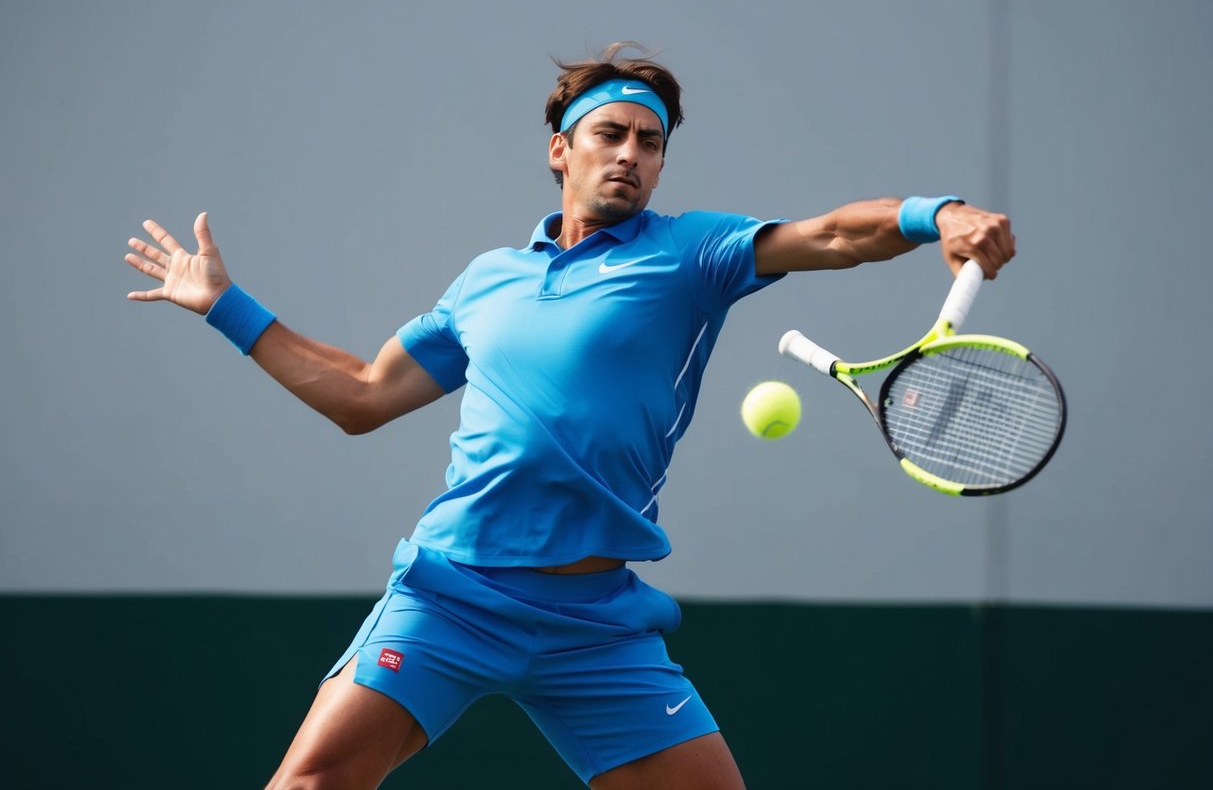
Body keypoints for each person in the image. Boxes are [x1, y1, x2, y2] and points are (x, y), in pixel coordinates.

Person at [125, 43, 1015, 789]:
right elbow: (362, 394)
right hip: (453, 595)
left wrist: (933, 214)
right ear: (561, 150)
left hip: (596, 623)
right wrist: (226, 306)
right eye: (609, 134)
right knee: (311, 784)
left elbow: (831, 235)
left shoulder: (691, 253)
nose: (630, 154)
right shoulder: (486, 282)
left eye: (649, 142)